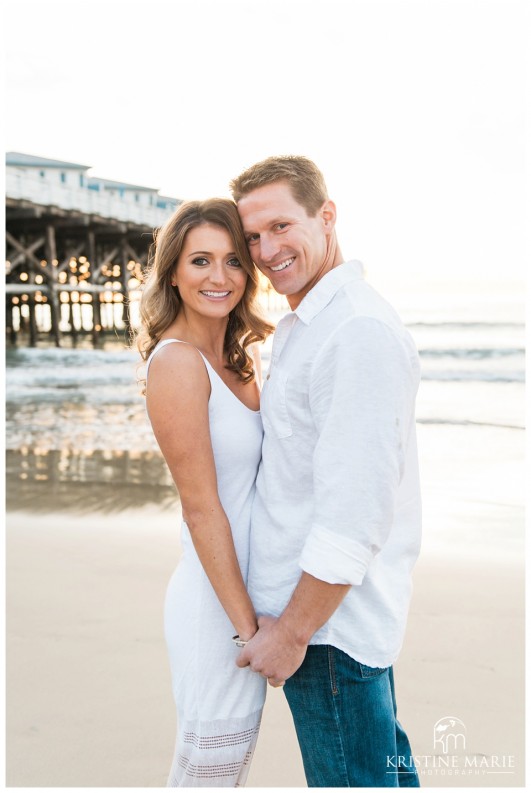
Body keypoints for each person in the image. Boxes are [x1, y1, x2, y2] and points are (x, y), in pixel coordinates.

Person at [230, 156, 422, 787]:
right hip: (325, 622)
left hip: (325, 631)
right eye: (253, 237)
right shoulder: (312, 323)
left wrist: (293, 632)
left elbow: (356, 510)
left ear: (327, 216)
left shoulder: (354, 331)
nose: (266, 250)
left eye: (282, 226)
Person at [136, 198, 274, 787]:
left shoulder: (240, 362)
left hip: (245, 593)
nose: (219, 277)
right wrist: (250, 628)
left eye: (233, 261)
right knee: (207, 777)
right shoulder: (177, 363)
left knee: (225, 772)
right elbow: (200, 508)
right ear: (173, 272)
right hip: (215, 605)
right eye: (200, 261)